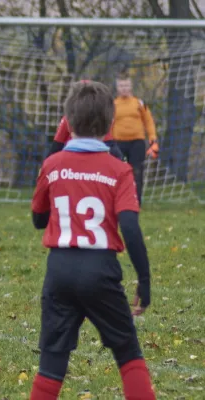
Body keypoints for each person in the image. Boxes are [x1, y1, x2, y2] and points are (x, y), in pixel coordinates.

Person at [30, 81, 155, 399]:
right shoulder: (120, 170)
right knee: (128, 353)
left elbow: (38, 219)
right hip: (100, 269)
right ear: (111, 124)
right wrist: (144, 278)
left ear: (68, 123)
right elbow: (129, 223)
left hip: (59, 270)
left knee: (51, 363)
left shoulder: (52, 165)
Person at [113, 71, 158, 205]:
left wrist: (152, 139)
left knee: (137, 171)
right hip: (118, 143)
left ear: (131, 86)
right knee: (119, 172)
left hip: (137, 143)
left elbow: (148, 121)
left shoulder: (139, 103)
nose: (124, 88)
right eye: (121, 86)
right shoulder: (113, 105)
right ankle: (119, 200)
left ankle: (137, 201)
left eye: (126, 85)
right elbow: (108, 123)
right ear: (117, 87)